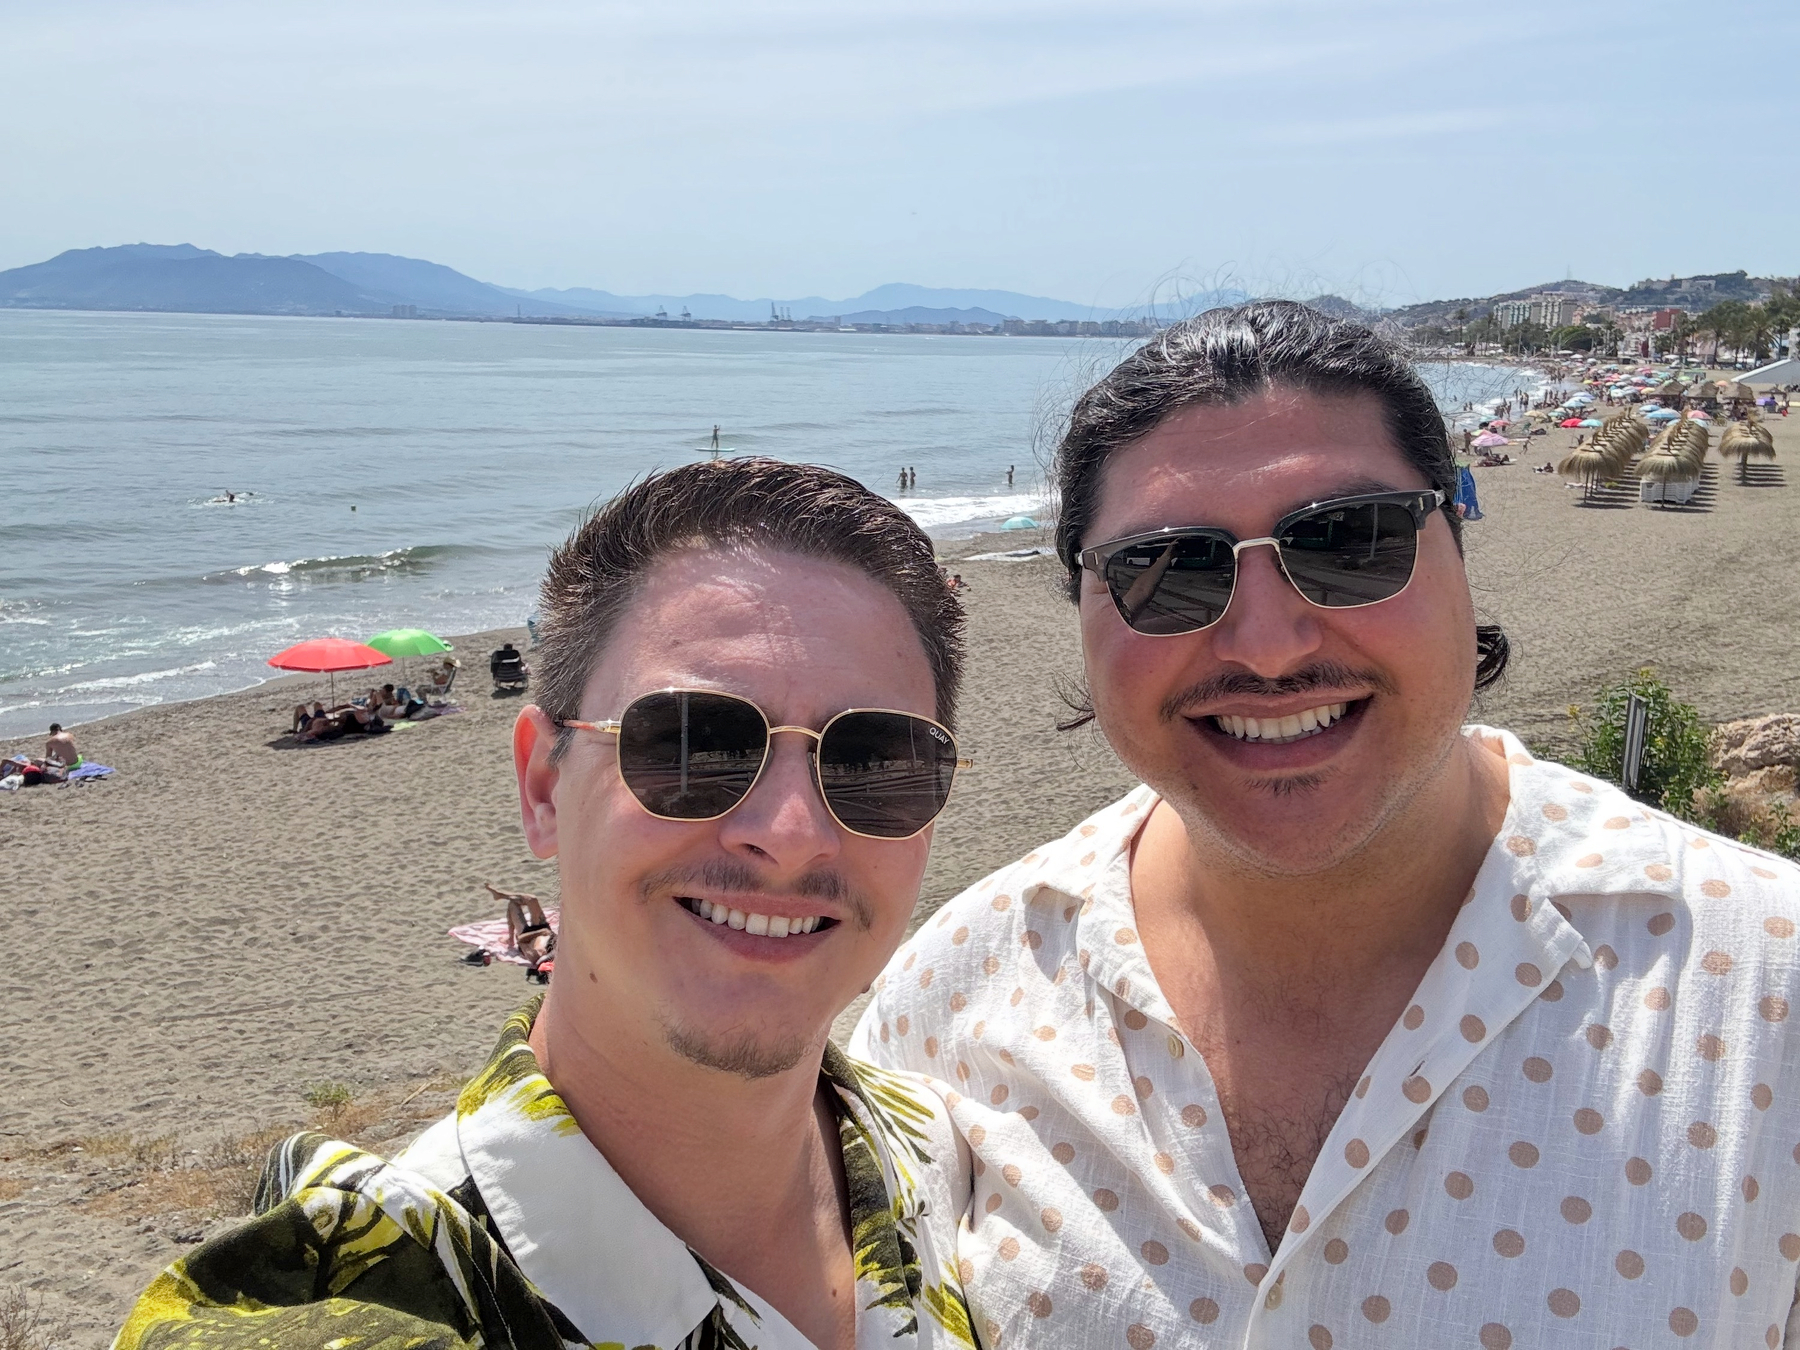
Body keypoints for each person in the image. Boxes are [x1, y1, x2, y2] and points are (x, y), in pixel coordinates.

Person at [856, 301, 1800, 1347]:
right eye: (1168, 571)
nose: (1264, 646)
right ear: (1083, 606)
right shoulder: (947, 1007)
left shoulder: (1764, 988)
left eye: (1350, 542)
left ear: (1457, 545)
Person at [116, 459, 978, 1350]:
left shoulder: (951, 1163)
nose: (791, 832)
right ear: (541, 785)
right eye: (691, 744)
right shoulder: (395, 1282)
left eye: (873, 762)